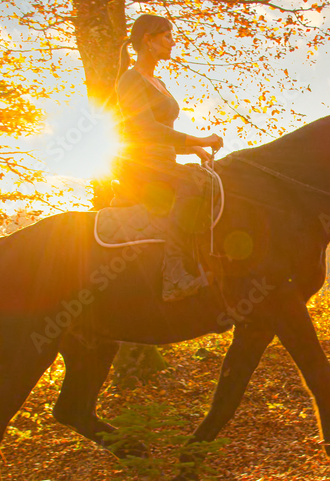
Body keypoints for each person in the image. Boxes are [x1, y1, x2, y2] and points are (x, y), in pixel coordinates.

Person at [114, 14, 223, 302]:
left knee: (212, 179)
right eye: (167, 37)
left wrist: (193, 149)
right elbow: (145, 129)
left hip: (163, 163)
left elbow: (163, 135)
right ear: (148, 41)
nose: (173, 42)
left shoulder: (158, 81)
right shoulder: (130, 79)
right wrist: (199, 139)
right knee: (193, 182)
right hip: (139, 166)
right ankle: (173, 275)